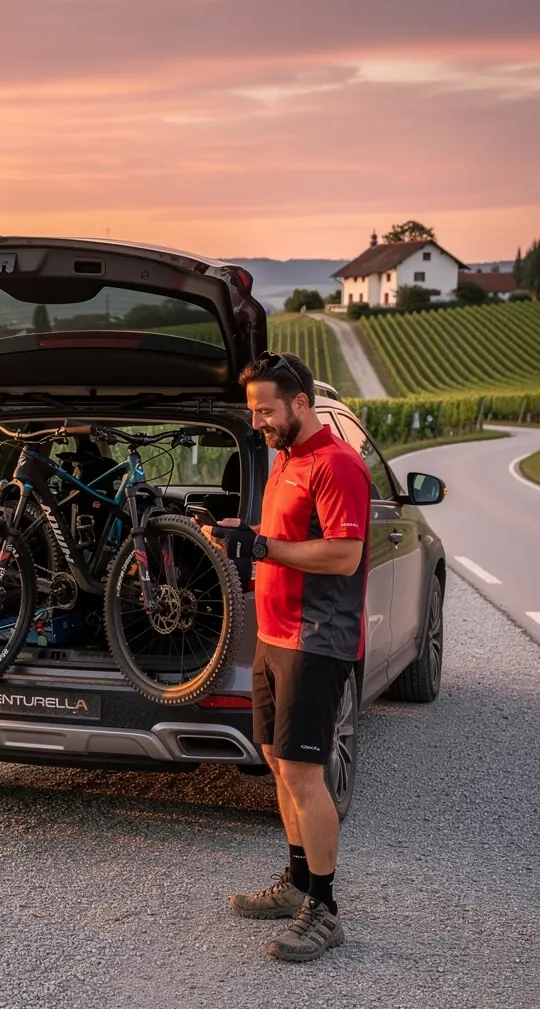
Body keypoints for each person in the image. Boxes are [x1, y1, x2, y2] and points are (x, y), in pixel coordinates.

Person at [203, 351, 370, 963]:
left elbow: (343, 555)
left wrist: (261, 546)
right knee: (277, 763)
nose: (257, 423)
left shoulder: (336, 463)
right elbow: (280, 540)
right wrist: (239, 533)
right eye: (253, 412)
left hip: (317, 640)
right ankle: (297, 882)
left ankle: (324, 909)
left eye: (265, 411)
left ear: (301, 402)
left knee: (303, 772)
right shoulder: (286, 459)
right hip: (274, 637)